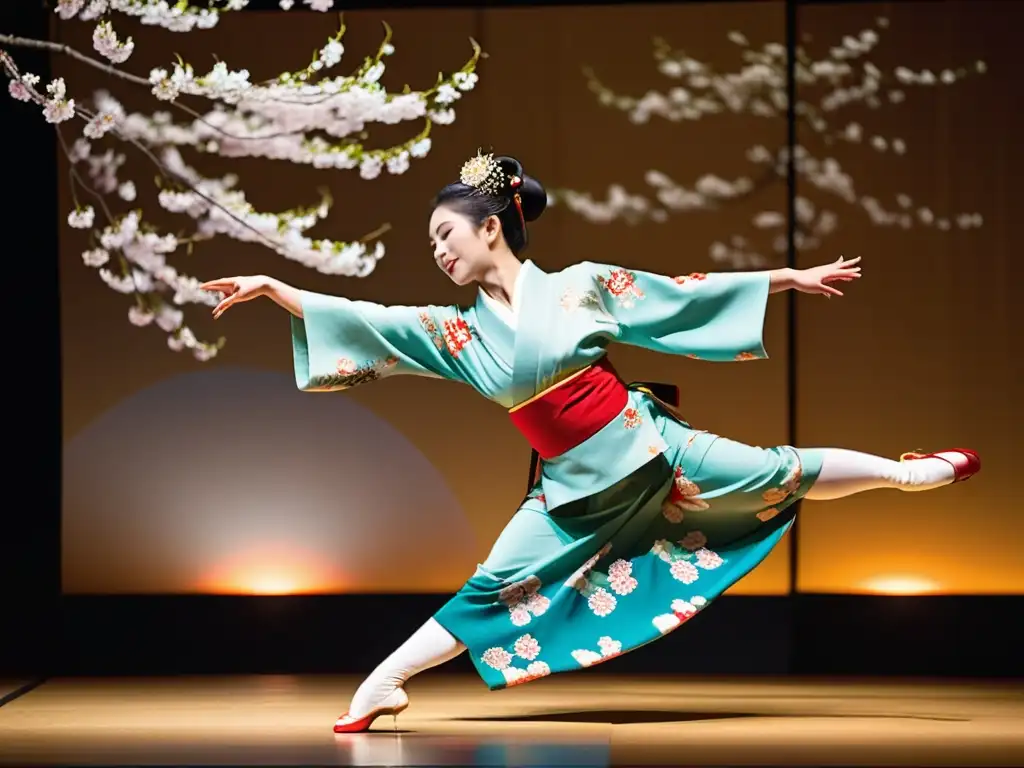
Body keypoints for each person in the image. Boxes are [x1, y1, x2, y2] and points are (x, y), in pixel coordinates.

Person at [201, 151, 980, 734]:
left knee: (775, 470)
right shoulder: (457, 331)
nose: (438, 251)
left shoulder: (577, 286)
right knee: (491, 587)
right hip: (569, 490)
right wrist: (276, 291)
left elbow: (682, 296)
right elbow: (370, 319)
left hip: (651, 450)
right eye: (431, 243)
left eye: (446, 234)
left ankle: (909, 477)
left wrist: (787, 277)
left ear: (491, 226)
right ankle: (381, 685)